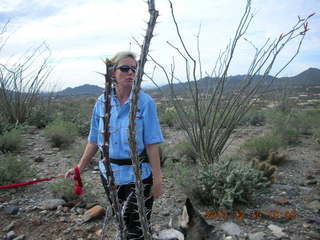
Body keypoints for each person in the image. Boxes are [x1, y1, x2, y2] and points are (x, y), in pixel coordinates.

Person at [65, 51, 164, 239]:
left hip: (139, 175)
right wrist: (79, 167)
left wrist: (158, 180)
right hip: (109, 174)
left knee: (138, 225)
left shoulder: (145, 102)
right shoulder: (102, 102)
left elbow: (152, 144)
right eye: (125, 68)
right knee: (121, 220)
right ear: (112, 73)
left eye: (134, 69)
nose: (130, 73)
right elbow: (94, 139)